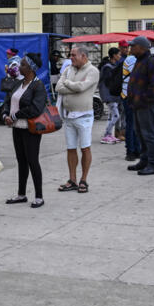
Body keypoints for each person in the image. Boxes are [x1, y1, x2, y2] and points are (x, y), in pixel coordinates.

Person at [1, 53, 48, 207]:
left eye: (22, 65)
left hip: (30, 129)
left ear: (31, 68)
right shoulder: (18, 83)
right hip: (16, 128)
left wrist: (14, 116)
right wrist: (5, 114)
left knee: (32, 161)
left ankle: (39, 196)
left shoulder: (37, 85)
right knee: (21, 161)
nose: (19, 67)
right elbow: (8, 100)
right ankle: (21, 194)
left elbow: (35, 108)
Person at [56, 45, 99, 194]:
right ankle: (72, 179)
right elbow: (58, 88)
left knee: (85, 147)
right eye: (70, 55)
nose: (71, 57)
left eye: (74, 55)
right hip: (68, 116)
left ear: (83, 56)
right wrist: (72, 86)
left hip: (84, 116)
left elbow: (81, 87)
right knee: (71, 148)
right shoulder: (69, 69)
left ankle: (84, 180)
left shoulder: (92, 71)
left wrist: (68, 84)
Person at [126, 36, 154, 176]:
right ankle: (144, 160)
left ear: (142, 48)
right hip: (137, 104)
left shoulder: (151, 62)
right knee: (140, 133)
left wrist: (144, 99)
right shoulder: (140, 61)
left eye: (133, 46)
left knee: (149, 134)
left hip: (146, 104)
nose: (130, 48)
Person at [119, 40, 140, 162]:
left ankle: (136, 149)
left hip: (129, 94)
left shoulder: (131, 59)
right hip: (130, 95)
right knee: (132, 124)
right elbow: (137, 75)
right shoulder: (132, 59)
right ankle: (131, 151)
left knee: (134, 124)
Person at [98, 47, 122, 145]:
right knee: (116, 116)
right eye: (119, 54)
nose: (120, 56)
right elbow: (109, 82)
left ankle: (109, 135)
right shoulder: (108, 67)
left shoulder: (111, 66)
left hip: (111, 95)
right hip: (109, 95)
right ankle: (106, 135)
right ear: (114, 55)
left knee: (111, 116)